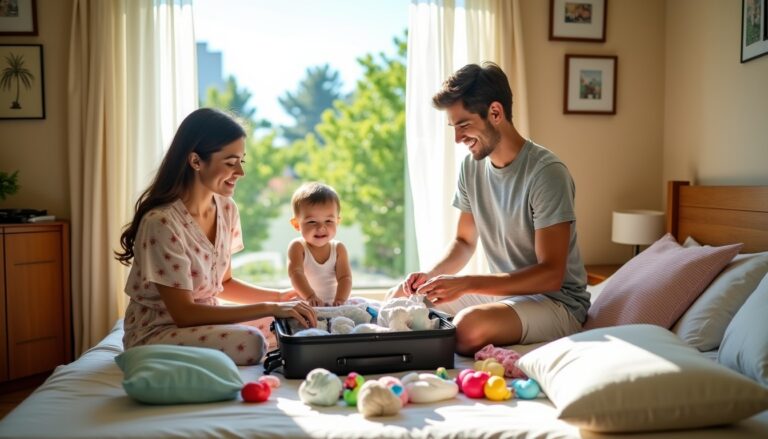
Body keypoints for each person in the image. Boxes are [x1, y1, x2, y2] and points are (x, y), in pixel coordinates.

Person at [389, 62, 589, 356]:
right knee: (401, 302)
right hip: (509, 296)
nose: (457, 138)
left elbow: (551, 275)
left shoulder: (546, 173)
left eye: (464, 125)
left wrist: (466, 283)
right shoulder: (471, 167)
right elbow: (464, 241)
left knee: (468, 327)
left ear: (495, 113)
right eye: (453, 127)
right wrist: (430, 279)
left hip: (557, 303)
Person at [115, 108, 316, 365]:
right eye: (231, 163)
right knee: (252, 341)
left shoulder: (227, 209)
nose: (240, 173)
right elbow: (184, 314)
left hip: (206, 322)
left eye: (241, 161)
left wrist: (279, 298)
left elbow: (226, 282)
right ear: (196, 161)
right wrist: (270, 307)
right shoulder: (162, 223)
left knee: (294, 323)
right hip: (159, 333)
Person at [287, 182, 352, 307]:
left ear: (337, 221)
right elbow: (295, 273)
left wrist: (340, 300)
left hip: (335, 304)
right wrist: (310, 296)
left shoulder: (338, 249)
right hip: (306, 304)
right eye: (312, 221)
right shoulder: (298, 247)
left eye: (328, 221)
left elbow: (345, 278)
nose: (321, 227)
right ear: (296, 224)